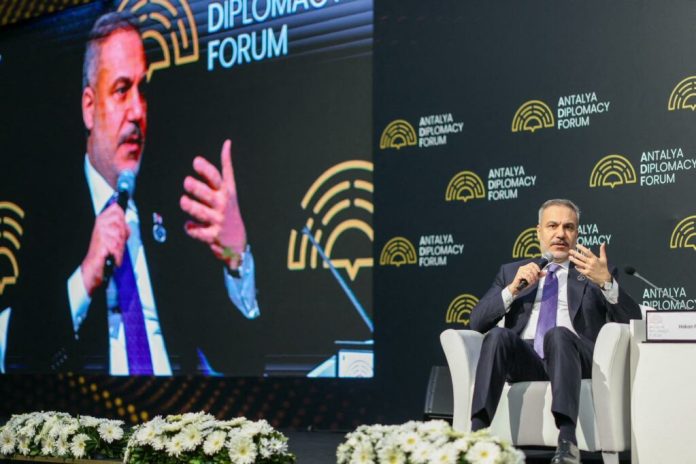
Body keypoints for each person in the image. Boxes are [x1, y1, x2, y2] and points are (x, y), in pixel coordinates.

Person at [64, 11, 260, 375]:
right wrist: (86, 277)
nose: (138, 110)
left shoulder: (172, 209)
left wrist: (235, 256)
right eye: (122, 90)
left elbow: (240, 362)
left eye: (142, 90)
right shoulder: (52, 211)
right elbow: (26, 353)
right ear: (89, 108)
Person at [468, 199, 641, 464]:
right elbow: (477, 322)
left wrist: (606, 282)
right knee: (498, 336)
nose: (560, 234)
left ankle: (567, 442)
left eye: (568, 227)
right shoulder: (512, 272)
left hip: (575, 357)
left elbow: (633, 321)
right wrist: (513, 289)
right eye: (553, 226)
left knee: (558, 335)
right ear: (539, 231)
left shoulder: (593, 272)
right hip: (527, 360)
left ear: (577, 234)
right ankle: (475, 437)